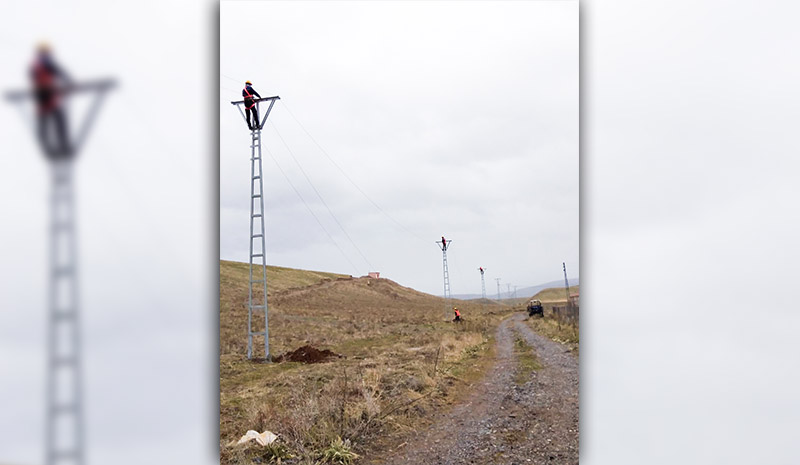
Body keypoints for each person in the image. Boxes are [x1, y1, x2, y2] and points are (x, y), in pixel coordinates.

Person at [31, 43, 72, 159]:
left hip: (42, 100)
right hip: (48, 99)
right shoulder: (46, 64)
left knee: (45, 127)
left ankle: (52, 149)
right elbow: (62, 73)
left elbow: (60, 74)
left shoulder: (35, 66)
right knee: (59, 123)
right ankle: (61, 147)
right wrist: (69, 83)